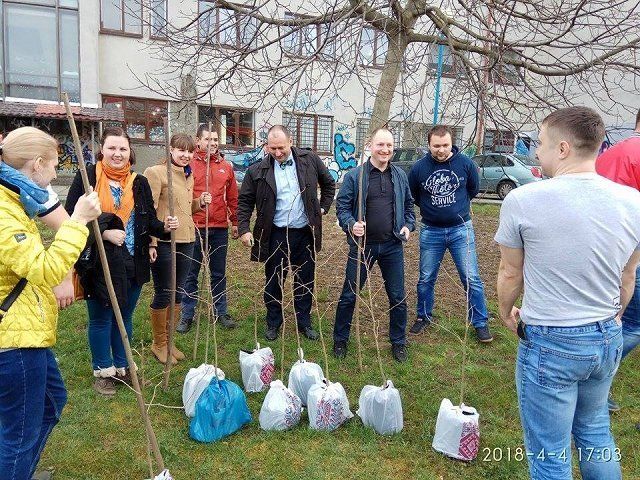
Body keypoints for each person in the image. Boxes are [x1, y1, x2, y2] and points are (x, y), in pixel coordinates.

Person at [496, 106, 640, 480]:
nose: (535, 151)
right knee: (595, 430)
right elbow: (628, 276)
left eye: (540, 143)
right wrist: (616, 315)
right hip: (606, 334)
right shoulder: (634, 204)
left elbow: (511, 273)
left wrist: (505, 311)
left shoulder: (523, 201)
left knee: (549, 453)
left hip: (551, 340)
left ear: (562, 148)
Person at [0, 126, 101, 480]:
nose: (57, 173)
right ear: (37, 163)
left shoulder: (14, 199)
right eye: (55, 165)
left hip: (27, 330)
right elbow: (44, 268)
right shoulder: (3, 212)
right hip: (13, 340)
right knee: (19, 434)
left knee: (51, 402)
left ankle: (19, 470)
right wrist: (78, 221)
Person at [65, 127, 178, 396]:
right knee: (102, 317)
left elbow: (148, 220)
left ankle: (123, 367)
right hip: (98, 261)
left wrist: (165, 227)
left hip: (132, 261)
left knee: (125, 315)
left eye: (123, 149)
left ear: (130, 152)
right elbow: (70, 216)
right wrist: (102, 232)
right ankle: (103, 371)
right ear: (102, 150)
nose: (117, 154)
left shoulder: (137, 182)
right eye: (112, 148)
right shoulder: (88, 176)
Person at [237, 125, 335, 341]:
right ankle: (273, 321)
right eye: (272, 148)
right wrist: (243, 228)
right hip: (275, 234)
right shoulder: (257, 171)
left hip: (304, 234)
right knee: (274, 280)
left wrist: (323, 207)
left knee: (305, 280)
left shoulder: (310, 160)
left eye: (281, 147)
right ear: (266, 146)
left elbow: (329, 184)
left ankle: (304, 322)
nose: (277, 153)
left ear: (291, 142)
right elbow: (244, 202)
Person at [333, 127, 415, 362]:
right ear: (370, 145)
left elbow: (409, 207)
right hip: (362, 247)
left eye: (389, 146)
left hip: (392, 247)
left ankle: (398, 342)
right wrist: (350, 225)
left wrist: (409, 226)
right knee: (349, 295)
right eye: (381, 145)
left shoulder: (399, 176)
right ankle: (341, 339)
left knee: (398, 296)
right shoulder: (355, 176)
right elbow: (342, 208)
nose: (385, 150)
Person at [408, 125, 493, 343]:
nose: (441, 150)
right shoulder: (419, 169)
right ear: (429, 145)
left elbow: (472, 189)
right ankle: (423, 316)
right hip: (430, 231)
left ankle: (480, 322)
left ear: (451, 143)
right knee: (426, 278)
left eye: (445, 145)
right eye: (436, 146)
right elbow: (414, 195)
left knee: (471, 278)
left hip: (460, 229)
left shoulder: (466, 164)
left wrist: (456, 208)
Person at [145, 134, 206, 364]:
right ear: (170, 150)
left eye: (189, 152)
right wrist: (151, 241)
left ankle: (170, 341)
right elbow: (148, 210)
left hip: (187, 239)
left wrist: (200, 203)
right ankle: (158, 343)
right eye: (181, 150)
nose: (185, 155)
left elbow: (184, 208)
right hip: (163, 241)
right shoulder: (156, 172)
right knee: (164, 290)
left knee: (178, 291)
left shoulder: (188, 174)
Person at [595, 108, 640, 413]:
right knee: (632, 324)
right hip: (630, 249)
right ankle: (597, 378)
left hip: (599, 246)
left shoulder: (608, 154)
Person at [178, 124, 238, 332]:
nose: (212, 144)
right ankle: (187, 313)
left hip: (219, 228)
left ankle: (221, 312)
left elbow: (232, 198)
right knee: (190, 272)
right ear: (198, 141)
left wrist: (236, 221)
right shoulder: (188, 165)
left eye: (215, 140)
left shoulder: (226, 166)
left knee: (218, 272)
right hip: (193, 226)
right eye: (207, 139)